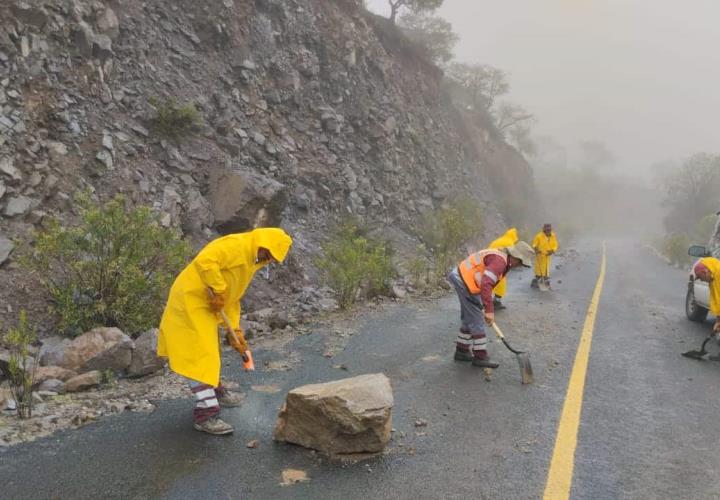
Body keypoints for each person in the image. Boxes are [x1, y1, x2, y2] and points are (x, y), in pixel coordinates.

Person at [158, 228, 293, 435]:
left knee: (211, 351)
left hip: (208, 304)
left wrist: (235, 331)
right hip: (189, 300)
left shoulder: (252, 262)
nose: (269, 259)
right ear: (263, 244)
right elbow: (205, 261)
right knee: (199, 355)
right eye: (268, 254)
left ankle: (215, 390)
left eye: (272, 258)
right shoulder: (236, 245)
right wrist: (219, 289)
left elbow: (231, 299)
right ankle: (206, 414)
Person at [447, 242, 535, 368]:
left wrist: (485, 304)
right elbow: (486, 284)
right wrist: (489, 311)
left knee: (469, 317)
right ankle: (480, 357)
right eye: (521, 262)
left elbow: (485, 283)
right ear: (516, 257)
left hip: (464, 278)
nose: (519, 266)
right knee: (477, 319)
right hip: (464, 281)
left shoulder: (501, 257)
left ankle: (461, 351)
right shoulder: (500, 261)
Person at [488, 228, 519, 310]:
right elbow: (511, 255)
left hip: (489, 261)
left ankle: (486, 301)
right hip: (499, 264)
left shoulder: (498, 240)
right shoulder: (510, 243)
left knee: (489, 280)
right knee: (501, 282)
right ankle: (496, 302)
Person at [692, 258, 720, 334]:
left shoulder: (718, 274)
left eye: (700, 277)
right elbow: (717, 302)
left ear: (705, 272)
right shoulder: (712, 279)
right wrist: (718, 321)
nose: (701, 280)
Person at [531, 224, 559, 289]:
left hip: (547, 256)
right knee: (539, 273)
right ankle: (534, 285)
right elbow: (534, 244)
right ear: (544, 230)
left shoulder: (553, 236)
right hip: (540, 256)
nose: (548, 231)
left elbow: (555, 245)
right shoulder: (539, 236)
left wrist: (552, 251)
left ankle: (546, 286)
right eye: (547, 230)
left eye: (549, 230)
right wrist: (536, 249)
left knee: (546, 273)